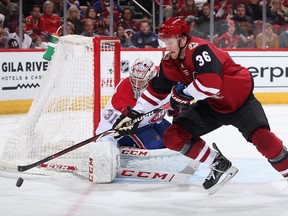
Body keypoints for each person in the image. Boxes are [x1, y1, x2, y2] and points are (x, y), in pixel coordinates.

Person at [112, 17, 288, 193]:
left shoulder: (199, 49)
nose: (167, 47)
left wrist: (183, 95)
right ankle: (217, 163)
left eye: (170, 42)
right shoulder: (169, 62)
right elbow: (155, 92)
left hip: (240, 103)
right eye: (164, 42)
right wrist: (133, 114)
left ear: (182, 39)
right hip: (213, 106)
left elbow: (211, 84)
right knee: (174, 137)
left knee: (266, 142)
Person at [96, 58, 171, 149]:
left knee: (177, 139)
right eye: (134, 79)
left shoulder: (162, 79)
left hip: (154, 121)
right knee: (157, 145)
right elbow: (109, 127)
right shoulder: (124, 90)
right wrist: (105, 146)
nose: (136, 84)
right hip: (135, 127)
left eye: (141, 81)